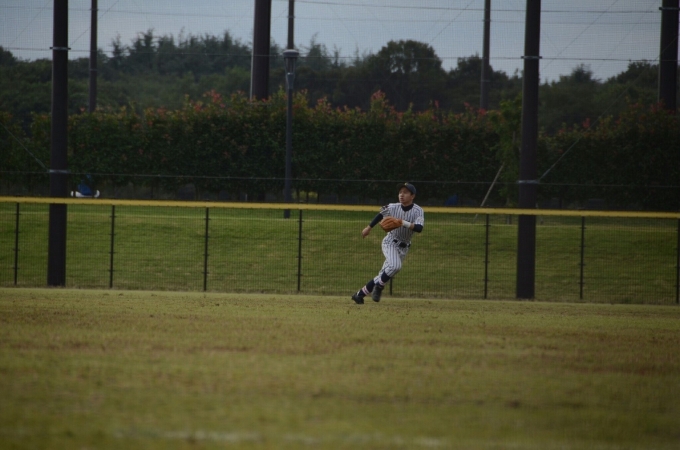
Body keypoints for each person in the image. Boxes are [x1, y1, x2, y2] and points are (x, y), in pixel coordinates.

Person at [352, 182, 425, 304]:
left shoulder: (418, 211)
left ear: (412, 196)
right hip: (390, 242)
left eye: (405, 192)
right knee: (395, 266)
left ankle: (359, 295)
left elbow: (419, 228)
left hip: (404, 247)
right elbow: (380, 215)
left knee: (384, 274)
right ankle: (379, 287)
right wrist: (369, 228)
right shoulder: (393, 207)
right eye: (400, 192)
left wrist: (402, 222)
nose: (401, 195)